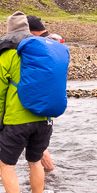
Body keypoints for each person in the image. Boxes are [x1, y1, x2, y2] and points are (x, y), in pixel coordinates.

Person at [0, 11, 57, 193]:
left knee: (7, 165)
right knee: (35, 161)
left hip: (16, 121)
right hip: (43, 118)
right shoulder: (42, 52)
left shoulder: (5, 56)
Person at [26, 15, 60, 171]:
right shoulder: (53, 43)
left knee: (36, 147)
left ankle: (50, 174)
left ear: (33, 32)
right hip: (51, 101)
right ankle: (49, 175)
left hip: (39, 102)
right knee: (39, 145)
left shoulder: (39, 44)